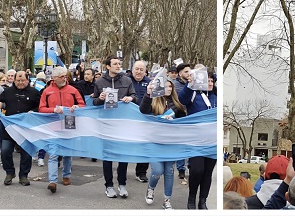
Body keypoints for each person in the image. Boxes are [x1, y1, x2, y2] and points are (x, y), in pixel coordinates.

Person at [92, 56, 137, 198]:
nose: (118, 66)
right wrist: (100, 99)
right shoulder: (99, 81)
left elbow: (134, 96)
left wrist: (130, 98)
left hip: (123, 124)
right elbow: (94, 102)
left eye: (119, 63)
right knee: (108, 156)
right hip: (106, 123)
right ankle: (109, 186)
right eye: (115, 64)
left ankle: (122, 184)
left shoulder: (127, 80)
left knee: (123, 155)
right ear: (108, 66)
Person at [140, 78, 186, 210]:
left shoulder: (177, 105)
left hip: (171, 143)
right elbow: (143, 110)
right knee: (157, 171)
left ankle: (167, 200)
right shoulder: (154, 101)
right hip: (155, 142)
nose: (168, 89)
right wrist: (148, 93)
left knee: (169, 172)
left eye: (170, 87)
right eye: (165, 86)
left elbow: (184, 122)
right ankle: (151, 188)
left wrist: (174, 122)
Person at [38, 66, 85, 194]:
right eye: (62, 76)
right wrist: (53, 110)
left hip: (69, 125)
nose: (65, 78)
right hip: (52, 126)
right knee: (53, 154)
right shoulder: (47, 91)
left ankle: (66, 175)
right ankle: (52, 181)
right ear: (54, 78)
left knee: (67, 153)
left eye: (65, 76)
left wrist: (76, 107)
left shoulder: (73, 90)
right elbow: (41, 109)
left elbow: (82, 106)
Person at [179, 71, 217, 209]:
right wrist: (189, 85)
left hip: (213, 141)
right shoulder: (194, 95)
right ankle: (191, 197)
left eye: (212, 81)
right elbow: (181, 100)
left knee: (207, 172)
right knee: (197, 170)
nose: (210, 83)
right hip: (196, 140)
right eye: (208, 81)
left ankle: (203, 201)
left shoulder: (216, 98)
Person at [0, 71, 41, 186]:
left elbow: (40, 107)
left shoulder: (34, 92)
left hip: (26, 129)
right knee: (5, 151)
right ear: (14, 80)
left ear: (28, 80)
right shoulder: (7, 92)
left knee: (26, 153)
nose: (20, 83)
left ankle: (23, 176)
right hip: (9, 128)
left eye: (23, 81)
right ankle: (9, 173)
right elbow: (0, 103)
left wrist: (34, 111)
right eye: (18, 81)